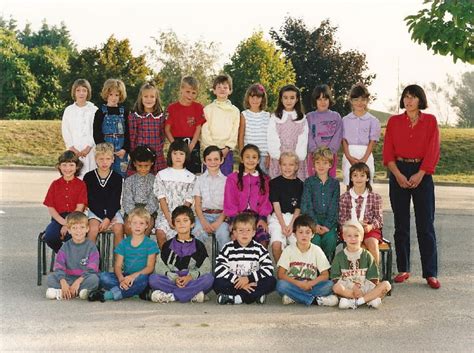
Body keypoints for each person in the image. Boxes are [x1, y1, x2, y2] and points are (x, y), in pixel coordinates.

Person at [383, 84, 441, 289]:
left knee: (425, 224)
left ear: (420, 100)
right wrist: (397, 174)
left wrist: (421, 173)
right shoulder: (394, 121)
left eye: (413, 97)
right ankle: (403, 269)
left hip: (422, 172)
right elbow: (388, 151)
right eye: (406, 97)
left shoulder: (431, 121)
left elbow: (433, 149)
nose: (408, 101)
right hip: (398, 170)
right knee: (401, 224)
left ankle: (430, 273)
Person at [88, 208, 159, 302]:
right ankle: (134, 291)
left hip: (141, 276)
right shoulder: (124, 243)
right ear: (129, 224)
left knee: (145, 281)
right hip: (125, 276)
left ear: (147, 225)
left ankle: (107, 295)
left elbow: (150, 268)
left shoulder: (151, 244)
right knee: (103, 277)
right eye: (135, 223)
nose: (138, 226)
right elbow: (117, 266)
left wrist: (132, 277)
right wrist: (121, 279)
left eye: (141, 223)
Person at [147, 206, 214, 303]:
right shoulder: (167, 245)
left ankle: (172, 296)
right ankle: (191, 295)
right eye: (178, 221)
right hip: (173, 279)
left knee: (209, 279)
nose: (181, 224)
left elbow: (206, 267)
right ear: (173, 225)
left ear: (192, 224)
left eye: (185, 220)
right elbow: (159, 266)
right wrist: (174, 278)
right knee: (153, 279)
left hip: (191, 278)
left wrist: (190, 277)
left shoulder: (199, 245)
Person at [213, 212, 276, 304]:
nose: (244, 234)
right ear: (234, 233)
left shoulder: (259, 249)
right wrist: (238, 280)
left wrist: (248, 279)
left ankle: (236, 298)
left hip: (252, 281)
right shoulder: (228, 248)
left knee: (271, 281)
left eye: (248, 230)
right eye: (241, 230)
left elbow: (269, 269)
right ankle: (253, 296)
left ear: (254, 232)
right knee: (217, 282)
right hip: (235, 282)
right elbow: (219, 268)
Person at [275, 215, 338, 306]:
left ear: (313, 234)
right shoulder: (288, 250)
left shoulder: (317, 250)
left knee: (330, 285)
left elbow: (325, 275)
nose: (304, 235)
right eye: (300, 232)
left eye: (308, 232)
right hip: (294, 285)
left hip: (311, 286)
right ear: (294, 234)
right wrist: (299, 284)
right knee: (280, 285)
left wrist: (311, 283)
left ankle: (294, 297)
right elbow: (280, 274)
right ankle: (312, 300)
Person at [331, 220, 391, 309]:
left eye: (356, 236)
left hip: (365, 287)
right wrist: (353, 287)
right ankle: (370, 300)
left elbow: (374, 278)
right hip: (348, 288)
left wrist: (361, 289)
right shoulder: (339, 257)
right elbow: (335, 279)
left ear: (362, 237)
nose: (353, 239)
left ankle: (357, 302)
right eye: (349, 236)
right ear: (344, 237)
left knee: (386, 285)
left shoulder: (367, 255)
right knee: (336, 287)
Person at [223, 144, 272, 248]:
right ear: (242, 159)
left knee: (263, 238)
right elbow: (230, 200)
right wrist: (234, 220)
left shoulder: (264, 179)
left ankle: (259, 263)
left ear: (258, 160)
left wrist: (263, 218)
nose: (250, 160)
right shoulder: (233, 178)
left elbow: (266, 201)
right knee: (237, 237)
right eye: (247, 157)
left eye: (254, 157)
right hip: (238, 216)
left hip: (256, 217)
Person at [46, 212, 99, 300]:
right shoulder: (65, 247)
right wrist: (63, 282)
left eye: (82, 227)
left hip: (83, 278)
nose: (78, 231)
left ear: (87, 229)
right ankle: (72, 291)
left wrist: (78, 282)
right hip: (68, 278)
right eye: (74, 228)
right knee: (51, 278)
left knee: (94, 279)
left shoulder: (91, 246)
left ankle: (63, 292)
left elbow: (92, 268)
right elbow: (59, 267)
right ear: (69, 230)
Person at [43, 151, 87, 253]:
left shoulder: (81, 185)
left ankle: (73, 262)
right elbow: (50, 206)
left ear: (77, 167)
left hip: (76, 218)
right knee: (50, 236)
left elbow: (80, 207)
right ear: (59, 166)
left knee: (73, 237)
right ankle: (62, 255)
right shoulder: (55, 184)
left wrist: (68, 224)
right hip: (58, 218)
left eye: (71, 165)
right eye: (64, 165)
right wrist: (63, 222)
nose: (67, 168)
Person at [154, 140, 196, 249]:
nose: (178, 157)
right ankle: (167, 260)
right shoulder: (162, 175)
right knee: (160, 233)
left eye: (181, 154)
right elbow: (161, 198)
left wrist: (177, 219)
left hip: (182, 216)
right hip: (165, 215)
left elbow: (188, 201)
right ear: (170, 155)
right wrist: (169, 218)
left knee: (181, 240)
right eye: (175, 153)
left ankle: (180, 263)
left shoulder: (191, 177)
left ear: (186, 156)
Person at [339, 162, 383, 264]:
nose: (359, 178)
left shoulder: (375, 197)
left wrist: (370, 227)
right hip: (350, 229)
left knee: (372, 243)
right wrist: (354, 226)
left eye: (362, 175)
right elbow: (342, 219)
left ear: (367, 178)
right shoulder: (344, 197)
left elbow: (379, 219)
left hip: (369, 230)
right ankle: (352, 273)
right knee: (352, 242)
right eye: (355, 175)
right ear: (351, 178)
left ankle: (373, 274)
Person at [301, 146, 340, 261]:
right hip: (313, 220)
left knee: (331, 239)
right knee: (315, 240)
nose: (321, 166)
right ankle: (315, 267)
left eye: (324, 163)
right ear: (313, 165)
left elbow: (335, 205)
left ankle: (324, 265)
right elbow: (306, 205)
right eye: (317, 162)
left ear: (330, 165)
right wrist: (315, 224)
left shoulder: (334, 184)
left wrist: (328, 225)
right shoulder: (309, 182)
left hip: (329, 221)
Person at [83, 143, 124, 247]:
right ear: (96, 159)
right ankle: (90, 260)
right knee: (93, 229)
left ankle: (118, 262)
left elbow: (115, 200)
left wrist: (108, 218)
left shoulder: (117, 177)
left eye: (107, 158)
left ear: (113, 159)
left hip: (112, 211)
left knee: (119, 229)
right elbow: (90, 200)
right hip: (95, 211)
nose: (104, 162)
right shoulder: (89, 177)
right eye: (101, 159)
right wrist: (103, 217)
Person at [164, 76, 206, 174]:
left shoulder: (198, 107)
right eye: (188, 91)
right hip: (176, 142)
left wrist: (192, 145)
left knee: (193, 173)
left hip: (193, 143)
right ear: (181, 89)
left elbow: (198, 128)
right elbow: (167, 129)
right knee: (175, 172)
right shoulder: (172, 108)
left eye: (193, 93)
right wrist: (175, 145)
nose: (190, 95)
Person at [341, 84, 381, 187]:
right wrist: (349, 157)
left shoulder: (373, 121)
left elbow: (372, 141)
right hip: (350, 153)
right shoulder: (345, 120)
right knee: (350, 184)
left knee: (366, 185)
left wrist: (364, 159)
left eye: (363, 99)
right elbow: (343, 140)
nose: (359, 102)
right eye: (356, 99)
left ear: (367, 100)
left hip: (366, 154)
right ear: (351, 100)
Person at [192, 146, 230, 251]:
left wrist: (219, 221)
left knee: (224, 235)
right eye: (209, 159)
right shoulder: (199, 180)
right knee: (197, 233)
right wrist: (203, 222)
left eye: (216, 159)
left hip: (222, 217)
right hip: (203, 216)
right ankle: (199, 264)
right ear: (204, 161)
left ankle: (223, 264)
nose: (213, 162)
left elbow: (228, 204)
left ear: (222, 160)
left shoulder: (227, 181)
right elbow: (197, 205)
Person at [201, 74, 240, 176]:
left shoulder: (235, 111)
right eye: (219, 87)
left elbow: (235, 131)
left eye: (225, 87)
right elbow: (205, 130)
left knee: (226, 180)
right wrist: (213, 149)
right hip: (210, 151)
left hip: (227, 152)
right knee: (209, 180)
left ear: (230, 90)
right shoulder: (208, 109)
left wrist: (227, 148)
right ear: (214, 90)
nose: (222, 89)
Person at [267, 84, 308, 181]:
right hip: (279, 159)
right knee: (279, 186)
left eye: (292, 98)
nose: (288, 101)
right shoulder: (275, 118)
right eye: (285, 98)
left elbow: (303, 139)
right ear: (281, 99)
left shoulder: (302, 118)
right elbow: (272, 138)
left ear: (297, 99)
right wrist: (278, 156)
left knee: (296, 186)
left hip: (296, 158)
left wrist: (297, 158)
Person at [268, 152, 303, 262]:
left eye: (291, 165)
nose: (287, 168)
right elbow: (276, 206)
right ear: (280, 165)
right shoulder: (274, 183)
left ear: (296, 166)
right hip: (278, 218)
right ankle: (281, 273)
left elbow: (298, 207)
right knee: (276, 245)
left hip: (294, 219)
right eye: (284, 164)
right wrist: (283, 225)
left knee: (299, 246)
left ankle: (295, 274)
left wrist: (291, 224)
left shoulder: (300, 184)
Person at [61, 79, 98, 178]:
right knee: (75, 176)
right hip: (74, 150)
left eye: (84, 90)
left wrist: (88, 148)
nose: (81, 93)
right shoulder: (69, 110)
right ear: (74, 92)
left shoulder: (94, 110)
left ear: (88, 92)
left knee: (89, 177)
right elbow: (65, 130)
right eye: (78, 90)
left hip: (89, 151)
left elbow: (95, 130)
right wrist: (72, 148)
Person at [93, 78, 129, 178]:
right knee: (105, 175)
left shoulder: (124, 112)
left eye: (117, 95)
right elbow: (97, 132)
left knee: (121, 176)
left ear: (120, 96)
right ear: (106, 94)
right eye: (111, 94)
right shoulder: (100, 112)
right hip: (105, 152)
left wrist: (125, 149)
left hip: (121, 152)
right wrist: (103, 150)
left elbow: (128, 133)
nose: (114, 98)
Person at [128, 82, 166, 175]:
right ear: (141, 98)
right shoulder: (135, 116)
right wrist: (133, 155)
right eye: (146, 96)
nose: (149, 99)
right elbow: (132, 138)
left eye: (152, 97)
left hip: (156, 155)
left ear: (156, 98)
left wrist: (158, 150)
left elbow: (162, 136)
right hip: (140, 154)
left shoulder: (160, 117)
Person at [306, 84, 342, 178]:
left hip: (330, 156)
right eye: (319, 99)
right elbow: (308, 135)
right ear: (315, 101)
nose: (323, 102)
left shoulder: (336, 116)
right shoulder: (310, 117)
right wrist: (315, 150)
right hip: (314, 156)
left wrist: (329, 151)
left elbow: (338, 135)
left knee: (329, 183)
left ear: (329, 99)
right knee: (314, 182)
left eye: (325, 99)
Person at [122, 145, 159, 236]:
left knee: (148, 225)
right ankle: (131, 248)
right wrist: (134, 215)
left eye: (146, 166)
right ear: (134, 164)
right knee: (127, 226)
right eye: (140, 166)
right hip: (132, 211)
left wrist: (144, 214)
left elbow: (153, 200)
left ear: (152, 163)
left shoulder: (155, 180)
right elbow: (127, 200)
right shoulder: (129, 180)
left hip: (148, 212)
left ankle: (143, 248)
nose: (143, 169)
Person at [238, 83, 271, 173]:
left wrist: (270, 155)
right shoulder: (244, 114)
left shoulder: (267, 115)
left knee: (263, 182)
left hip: (264, 155)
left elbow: (270, 137)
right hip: (249, 156)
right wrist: (242, 154)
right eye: (252, 97)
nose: (255, 100)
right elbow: (241, 136)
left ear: (262, 99)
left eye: (258, 97)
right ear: (248, 98)